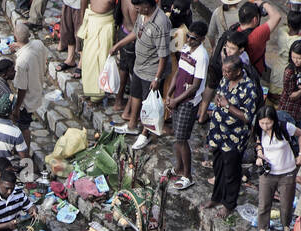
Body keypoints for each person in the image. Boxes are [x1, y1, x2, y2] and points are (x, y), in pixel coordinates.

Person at [109, 0, 171, 147]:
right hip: (139, 66)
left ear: (146, 5)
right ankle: (131, 125)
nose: (136, 10)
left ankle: (145, 133)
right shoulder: (142, 16)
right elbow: (136, 32)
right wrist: (118, 45)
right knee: (135, 95)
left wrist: (157, 77)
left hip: (151, 71)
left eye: (138, 7)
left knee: (147, 104)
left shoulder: (161, 22)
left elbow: (163, 55)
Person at [202, 56, 258, 216]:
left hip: (234, 137)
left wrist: (228, 106)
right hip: (218, 132)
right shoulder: (225, 80)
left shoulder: (249, 89)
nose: (225, 73)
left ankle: (229, 204)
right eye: (223, 70)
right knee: (218, 165)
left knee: (231, 171)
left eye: (228, 71)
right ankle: (217, 197)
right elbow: (219, 96)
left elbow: (248, 117)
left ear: (238, 71)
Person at [164, 21, 210, 192]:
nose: (189, 40)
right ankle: (178, 168)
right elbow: (177, 72)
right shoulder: (185, 49)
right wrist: (169, 94)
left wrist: (177, 100)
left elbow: (195, 86)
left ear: (202, 39)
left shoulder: (202, 56)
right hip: (177, 98)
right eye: (189, 36)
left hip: (188, 102)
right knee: (177, 137)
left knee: (182, 139)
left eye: (194, 38)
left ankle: (188, 176)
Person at [252, 105, 301, 231]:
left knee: (286, 203)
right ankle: (262, 229)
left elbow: (300, 134)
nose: (265, 126)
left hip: (287, 171)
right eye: (262, 123)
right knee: (264, 203)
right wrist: (259, 154)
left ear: (274, 121)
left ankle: (286, 226)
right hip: (268, 173)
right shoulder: (258, 129)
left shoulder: (284, 127)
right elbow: (257, 142)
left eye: (268, 123)